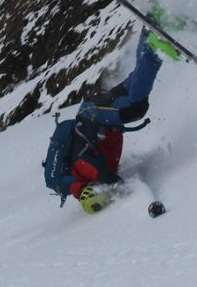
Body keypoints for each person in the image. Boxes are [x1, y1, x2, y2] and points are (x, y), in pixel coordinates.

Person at [69, 26, 180, 213]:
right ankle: (149, 32)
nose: (106, 192)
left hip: (93, 115)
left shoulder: (81, 170)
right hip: (95, 115)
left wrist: (122, 190)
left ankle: (155, 48)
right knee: (134, 85)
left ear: (90, 191)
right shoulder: (81, 174)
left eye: (102, 194)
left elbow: (106, 176)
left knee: (135, 107)